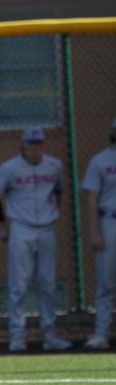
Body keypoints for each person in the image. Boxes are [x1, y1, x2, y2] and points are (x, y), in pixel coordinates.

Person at [0, 126, 72, 352]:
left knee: (48, 283)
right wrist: (2, 226)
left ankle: (50, 335)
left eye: (39, 143)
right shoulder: (9, 167)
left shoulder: (54, 165)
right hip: (21, 229)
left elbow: (58, 190)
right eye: (31, 143)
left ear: (44, 144)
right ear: (22, 145)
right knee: (19, 284)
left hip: (46, 229)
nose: (35, 147)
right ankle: (17, 336)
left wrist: (54, 214)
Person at [80, 117, 116, 350]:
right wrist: (94, 232)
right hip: (109, 222)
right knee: (106, 282)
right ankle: (101, 333)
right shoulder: (100, 160)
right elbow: (91, 197)